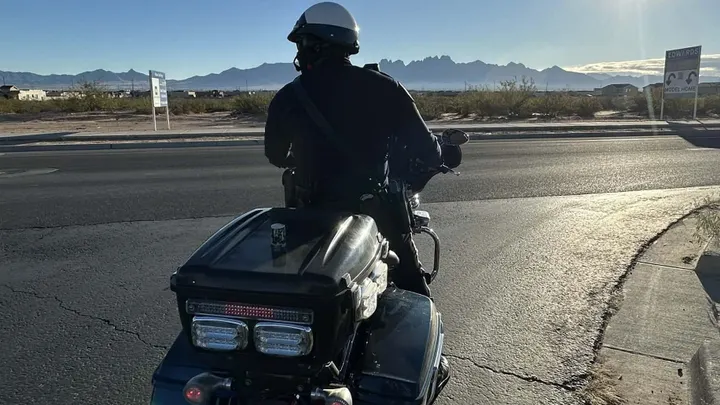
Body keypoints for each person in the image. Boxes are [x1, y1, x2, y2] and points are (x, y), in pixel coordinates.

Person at [263, 1, 443, 298]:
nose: (299, 52)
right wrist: (442, 151)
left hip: (312, 215)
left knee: (299, 290)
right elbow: (427, 149)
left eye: (303, 43)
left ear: (317, 44)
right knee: (417, 294)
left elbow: (275, 154)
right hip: (377, 214)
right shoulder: (385, 88)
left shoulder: (288, 97)